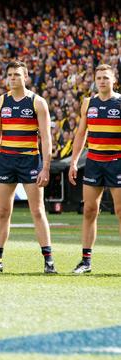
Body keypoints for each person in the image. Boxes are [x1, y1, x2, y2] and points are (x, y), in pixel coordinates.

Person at [0, 60, 56, 274]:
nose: (13, 78)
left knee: (38, 211)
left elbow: (46, 138)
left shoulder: (37, 102)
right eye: (10, 75)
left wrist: (46, 167)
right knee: (3, 211)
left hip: (30, 161)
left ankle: (48, 260)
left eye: (17, 74)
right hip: (6, 161)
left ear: (26, 77)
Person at [69, 64, 121, 274]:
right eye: (99, 78)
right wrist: (73, 161)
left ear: (113, 80)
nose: (101, 81)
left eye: (105, 78)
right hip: (93, 162)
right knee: (89, 210)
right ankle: (85, 261)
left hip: (117, 161)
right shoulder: (88, 103)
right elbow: (81, 134)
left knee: (120, 211)